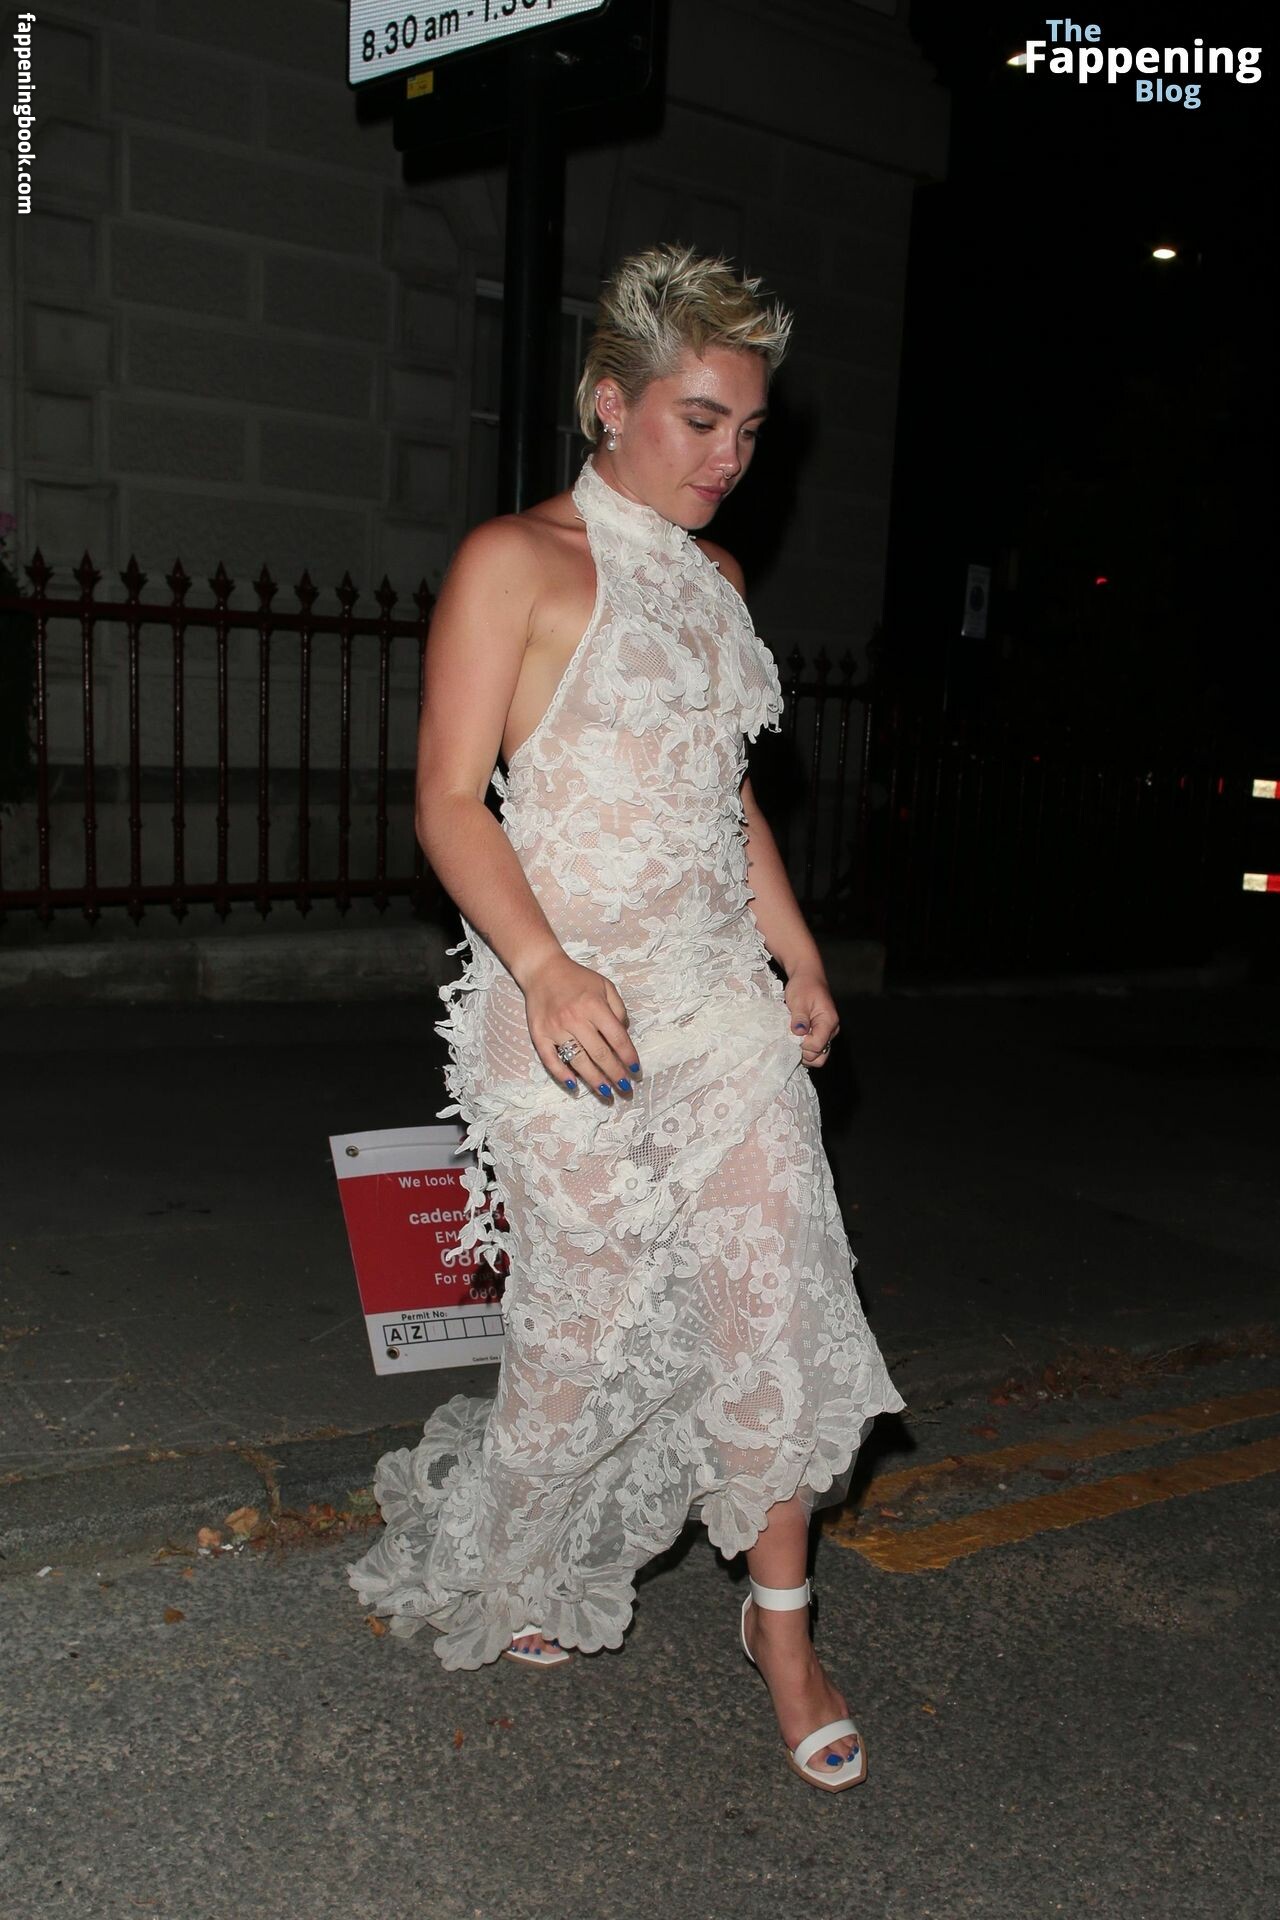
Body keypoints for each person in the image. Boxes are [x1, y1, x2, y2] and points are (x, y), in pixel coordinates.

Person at [349, 243, 906, 1793]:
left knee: (773, 1299)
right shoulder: (513, 562)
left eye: (750, 433)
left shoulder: (717, 582)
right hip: (567, 1008)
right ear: (610, 402)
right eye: (700, 421)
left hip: (718, 1004)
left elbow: (725, 802)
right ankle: (523, 1551)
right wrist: (544, 964)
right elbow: (448, 803)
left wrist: (797, 957)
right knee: (582, 1336)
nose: (730, 460)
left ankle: (782, 1630)